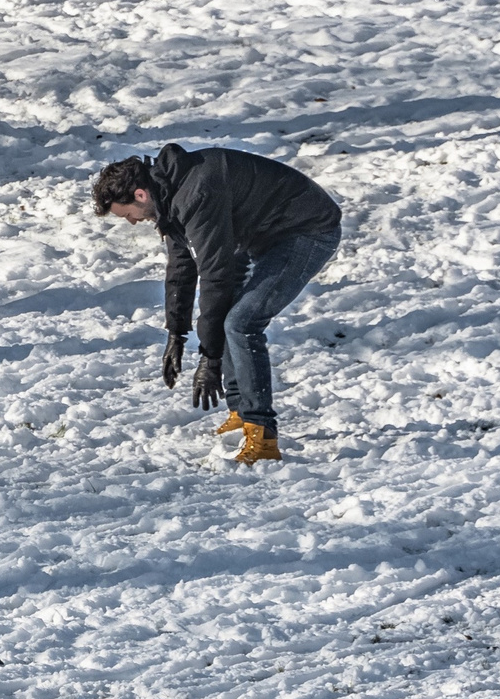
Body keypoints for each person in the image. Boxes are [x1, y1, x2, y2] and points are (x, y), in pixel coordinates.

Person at [92, 145, 343, 465]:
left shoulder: (195, 193)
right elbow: (181, 270)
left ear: (140, 195)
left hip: (305, 230)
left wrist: (210, 358)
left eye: (126, 214)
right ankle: (241, 409)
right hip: (259, 235)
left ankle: (262, 434)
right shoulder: (169, 196)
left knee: (241, 322)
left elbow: (215, 276)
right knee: (225, 314)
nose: (130, 222)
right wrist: (177, 333)